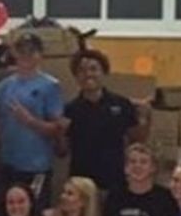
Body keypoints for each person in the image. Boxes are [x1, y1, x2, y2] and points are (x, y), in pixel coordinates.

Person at [63, 49, 150, 195]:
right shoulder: (69, 110)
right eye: (82, 70)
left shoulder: (122, 104)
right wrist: (58, 132)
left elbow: (138, 141)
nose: (88, 74)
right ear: (76, 76)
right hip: (82, 185)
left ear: (104, 72)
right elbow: (61, 151)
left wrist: (145, 117)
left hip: (115, 181)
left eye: (93, 69)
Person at [0, 32, 66, 210]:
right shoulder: (4, 86)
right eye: (22, 50)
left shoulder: (50, 86)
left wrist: (30, 121)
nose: (26, 55)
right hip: (7, 163)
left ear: (40, 55)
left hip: (35, 166)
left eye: (31, 51)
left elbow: (57, 129)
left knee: (35, 213)